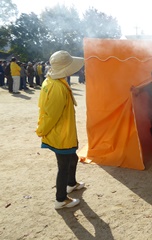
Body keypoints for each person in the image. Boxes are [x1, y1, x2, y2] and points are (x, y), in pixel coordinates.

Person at [36, 50, 85, 209]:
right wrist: (41, 130)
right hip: (61, 135)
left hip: (64, 132)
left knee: (73, 158)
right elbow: (51, 115)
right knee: (63, 166)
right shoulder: (57, 87)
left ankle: (71, 184)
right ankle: (61, 199)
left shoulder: (51, 81)